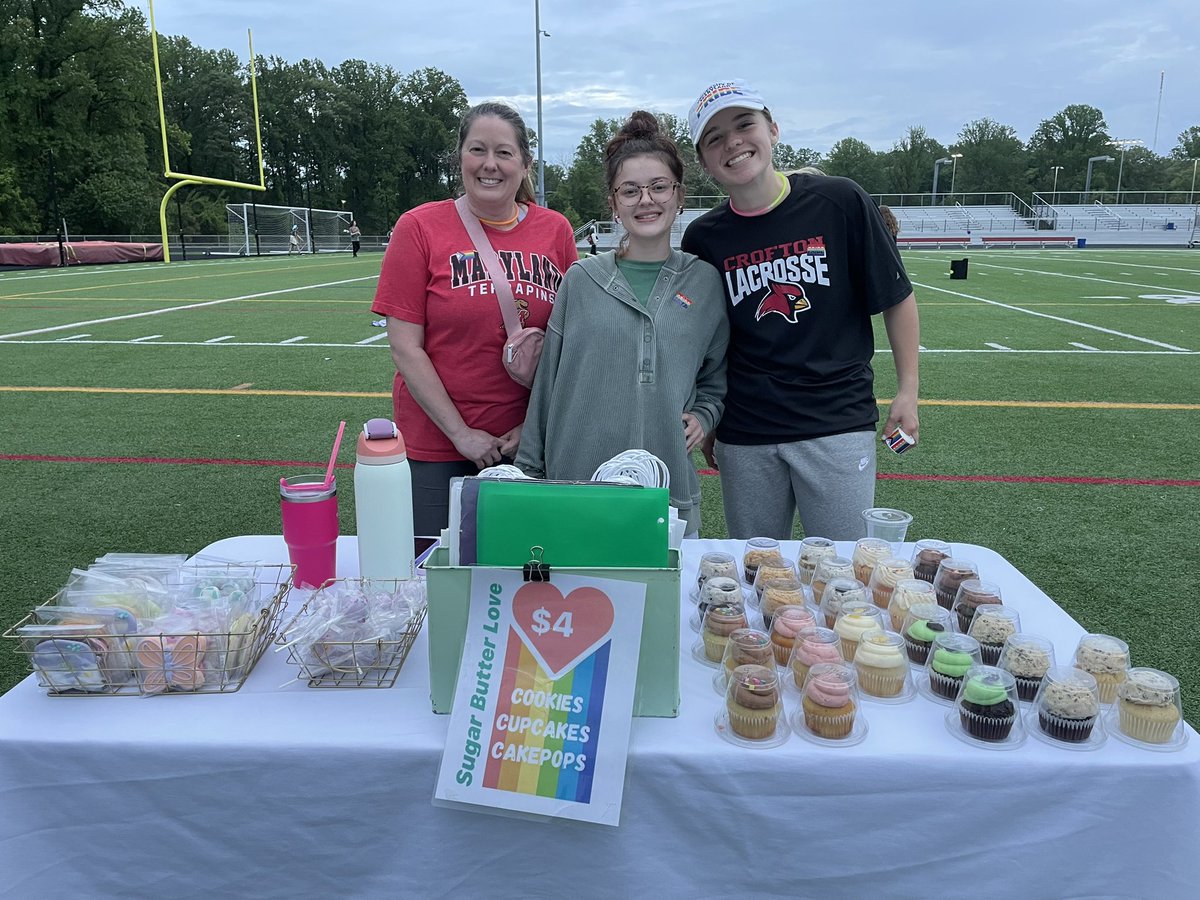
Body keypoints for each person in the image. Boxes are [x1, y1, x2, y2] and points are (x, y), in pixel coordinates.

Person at [681, 79, 921, 541]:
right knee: (756, 572)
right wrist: (711, 416)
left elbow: (896, 297)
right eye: (714, 137)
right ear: (705, 162)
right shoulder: (704, 237)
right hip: (746, 430)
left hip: (836, 422)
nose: (732, 141)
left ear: (773, 128)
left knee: (843, 575)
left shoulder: (840, 201)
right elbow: (708, 342)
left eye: (744, 123)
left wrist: (908, 390)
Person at [517, 111, 729, 537]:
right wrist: (528, 471)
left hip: (665, 488)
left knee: (660, 601)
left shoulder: (705, 282)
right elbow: (547, 385)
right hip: (574, 483)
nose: (645, 200)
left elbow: (716, 375)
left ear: (680, 195)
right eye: (630, 190)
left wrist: (706, 414)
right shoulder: (581, 280)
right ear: (613, 203)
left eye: (658, 187)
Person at [370, 102, 578, 535]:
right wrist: (460, 433)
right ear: (460, 157)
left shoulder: (556, 229)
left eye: (504, 153)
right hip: (436, 443)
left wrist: (531, 426)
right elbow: (405, 346)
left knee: (525, 572)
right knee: (432, 571)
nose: (490, 164)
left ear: (524, 164)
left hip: (528, 444)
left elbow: (567, 342)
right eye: (477, 150)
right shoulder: (419, 227)